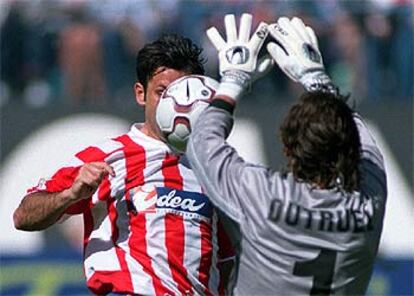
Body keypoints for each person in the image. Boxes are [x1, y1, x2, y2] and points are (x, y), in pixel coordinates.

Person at [13, 34, 235, 295]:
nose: (176, 106)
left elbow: (227, 260)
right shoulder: (111, 155)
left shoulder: (216, 168)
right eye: (163, 92)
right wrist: (70, 194)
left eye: (185, 94)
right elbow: (23, 217)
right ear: (141, 94)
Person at [187, 14, 387, 295]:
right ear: (347, 147)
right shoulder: (369, 201)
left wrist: (233, 80)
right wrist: (318, 79)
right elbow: (364, 142)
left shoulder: (259, 192)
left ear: (288, 149)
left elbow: (201, 142)